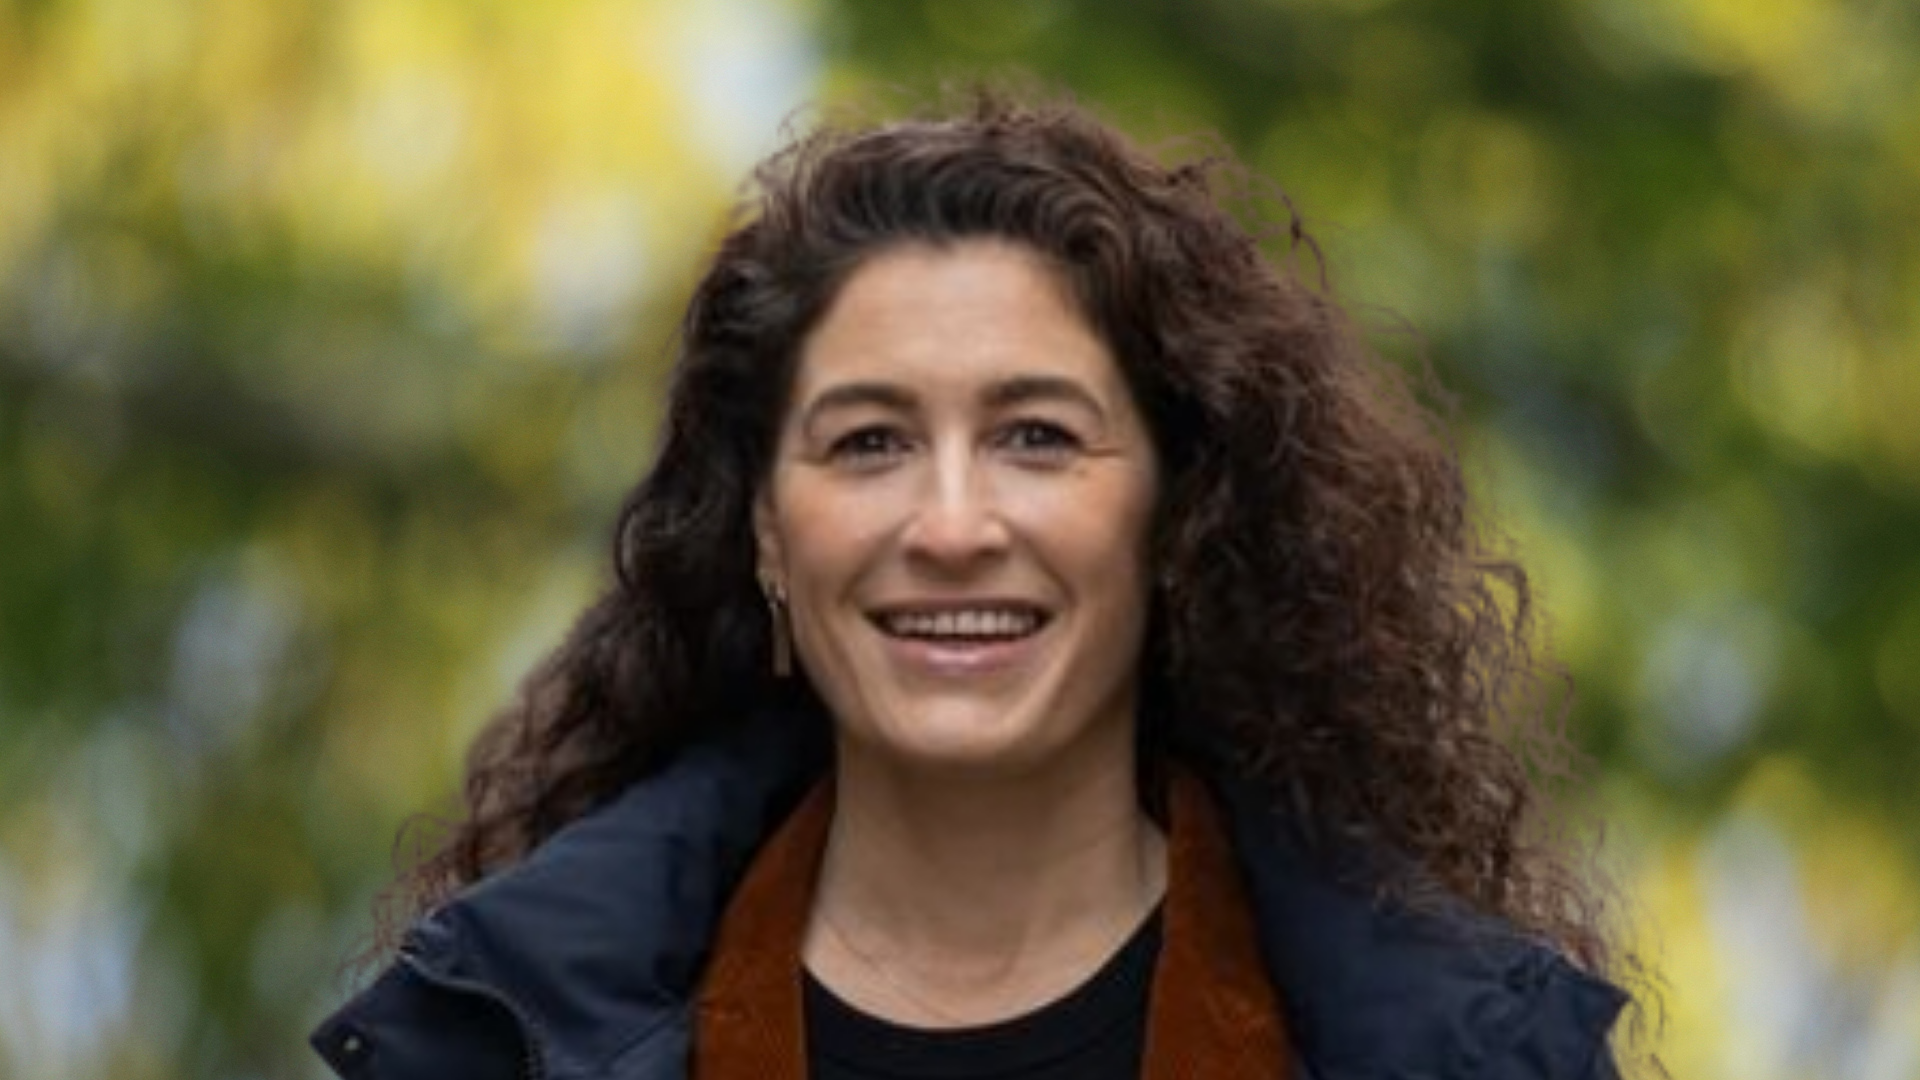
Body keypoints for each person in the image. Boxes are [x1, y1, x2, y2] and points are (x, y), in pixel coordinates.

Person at [312, 91, 1646, 1080]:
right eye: (869, 443)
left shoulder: (1455, 1052)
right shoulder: (499, 1040)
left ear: (1173, 517)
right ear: (768, 533)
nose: (951, 525)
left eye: (1037, 437)